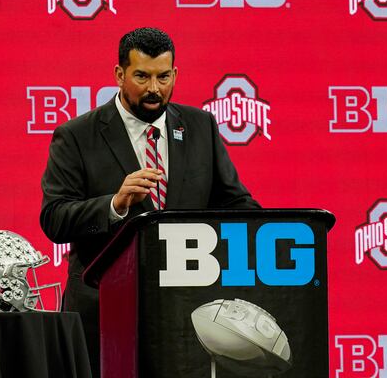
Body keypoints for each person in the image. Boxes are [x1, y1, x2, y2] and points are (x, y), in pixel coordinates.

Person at [39, 27, 260, 376]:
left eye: (164, 76)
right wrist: (116, 203)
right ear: (119, 74)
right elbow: (54, 218)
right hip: (104, 311)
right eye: (142, 76)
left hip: (187, 310)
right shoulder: (77, 136)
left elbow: (237, 203)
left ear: (175, 74)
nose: (154, 88)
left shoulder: (200, 126)